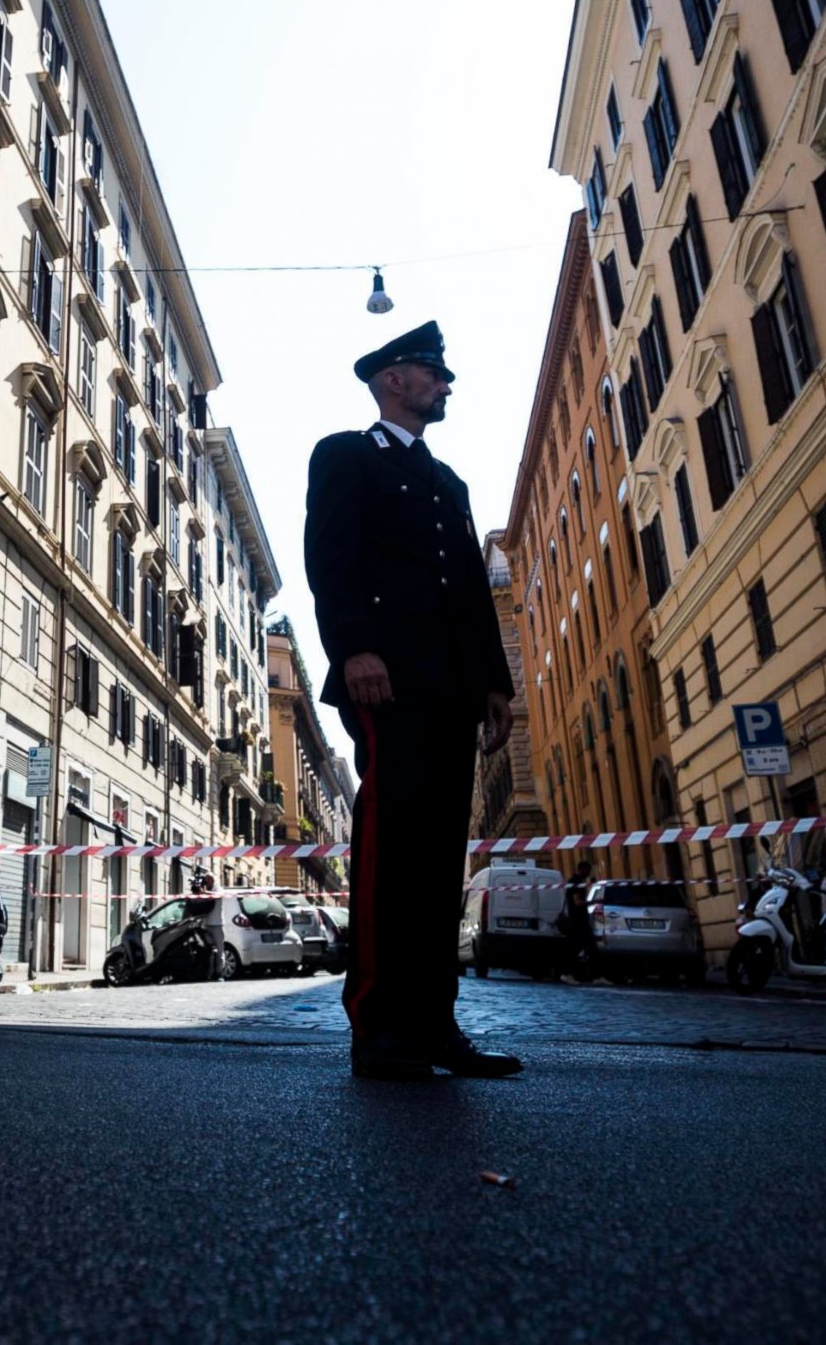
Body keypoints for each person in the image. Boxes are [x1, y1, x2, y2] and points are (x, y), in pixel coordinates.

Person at [304, 321, 519, 1081]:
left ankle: (435, 1024)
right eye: (434, 371)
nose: (445, 383)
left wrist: (495, 682)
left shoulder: (449, 483)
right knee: (391, 851)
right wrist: (355, 647)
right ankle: (379, 1025)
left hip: (451, 689)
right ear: (393, 378)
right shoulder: (345, 455)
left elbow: (468, 589)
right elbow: (330, 559)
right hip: (385, 679)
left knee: (436, 862)